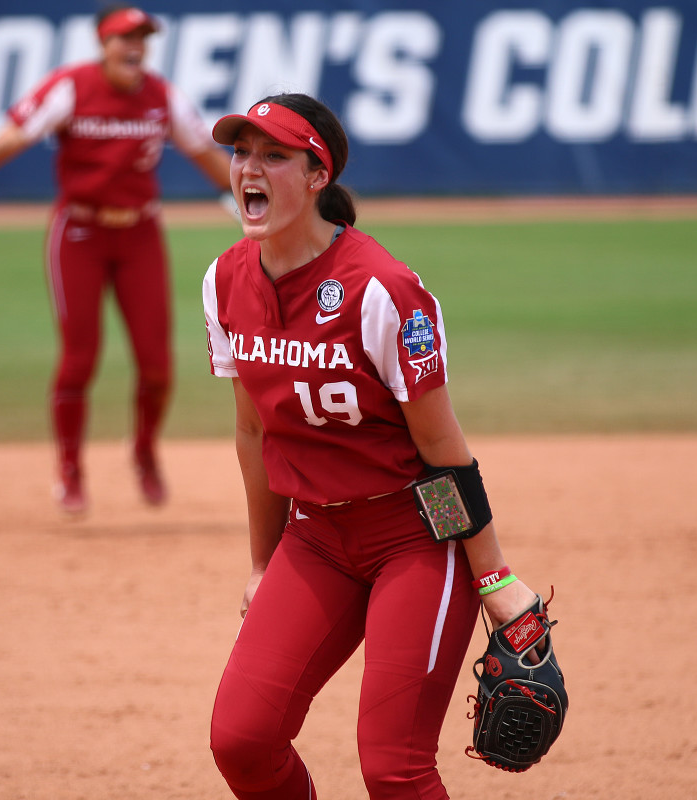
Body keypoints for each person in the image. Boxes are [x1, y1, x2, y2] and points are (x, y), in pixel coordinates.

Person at [202, 93, 550, 799]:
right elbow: (254, 432)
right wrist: (261, 562)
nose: (249, 169)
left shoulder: (383, 292)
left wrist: (493, 577)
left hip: (414, 538)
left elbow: (442, 449)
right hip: (315, 538)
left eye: (274, 155)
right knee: (242, 739)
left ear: (316, 175)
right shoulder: (225, 280)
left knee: (394, 767)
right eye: (241, 152)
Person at [0, 4, 232, 515]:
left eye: (143, 39)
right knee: (80, 359)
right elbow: (7, 142)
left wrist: (255, 204)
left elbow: (207, 155)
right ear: (102, 44)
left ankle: (145, 451)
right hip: (79, 233)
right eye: (124, 39)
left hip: (140, 233)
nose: (136, 48)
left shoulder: (161, 97)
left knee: (158, 366)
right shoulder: (71, 88)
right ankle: (70, 469)